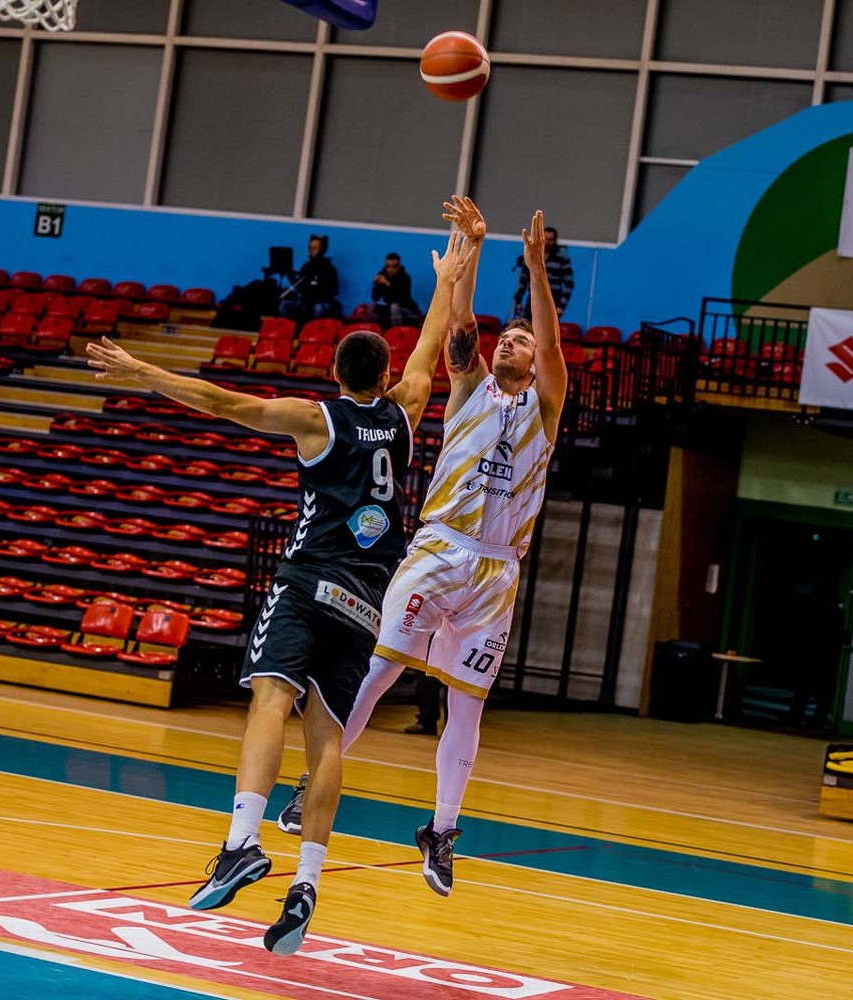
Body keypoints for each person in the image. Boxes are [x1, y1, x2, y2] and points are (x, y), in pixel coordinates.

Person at [81, 224, 473, 954]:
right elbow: (428, 348)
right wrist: (449, 279)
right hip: (367, 601)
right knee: (327, 742)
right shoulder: (406, 412)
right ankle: (308, 884)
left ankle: (241, 843)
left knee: (268, 699)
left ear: (334, 372)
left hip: (310, 577)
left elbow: (223, 402)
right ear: (385, 376)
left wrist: (141, 371)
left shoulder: (316, 420)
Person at [280, 202, 567, 898]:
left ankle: (440, 832)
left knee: (467, 708)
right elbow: (461, 324)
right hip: (440, 548)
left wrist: (535, 269)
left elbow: (555, 346)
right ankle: (311, 783)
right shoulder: (469, 386)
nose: (511, 343)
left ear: (536, 360)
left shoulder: (546, 406)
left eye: (521, 341)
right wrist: (473, 249)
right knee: (378, 670)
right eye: (506, 338)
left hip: (497, 571)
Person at [510, 223, 572, 321]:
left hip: (553, 298)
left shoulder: (562, 258)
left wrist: (561, 306)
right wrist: (519, 300)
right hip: (534, 297)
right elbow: (523, 280)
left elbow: (569, 284)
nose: (548, 242)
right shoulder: (533, 255)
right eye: (545, 239)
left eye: (551, 240)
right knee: (528, 324)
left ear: (555, 241)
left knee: (547, 327)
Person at [281, 234, 341, 322]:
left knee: (318, 308)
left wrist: (317, 286)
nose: (311, 251)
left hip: (322, 301)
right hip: (306, 301)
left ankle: (314, 329)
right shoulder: (306, 267)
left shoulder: (329, 269)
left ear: (322, 250)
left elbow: (334, 291)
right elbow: (300, 288)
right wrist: (291, 277)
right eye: (310, 248)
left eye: (315, 248)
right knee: (284, 305)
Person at [371, 252, 421, 329]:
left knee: (394, 307)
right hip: (389, 308)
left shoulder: (405, 277)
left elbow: (400, 298)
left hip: (407, 309)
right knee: (372, 307)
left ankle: (397, 332)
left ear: (399, 267)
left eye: (394, 267)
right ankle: (376, 332)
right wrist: (376, 285)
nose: (390, 270)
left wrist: (387, 283)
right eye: (388, 266)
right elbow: (375, 298)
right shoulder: (382, 275)